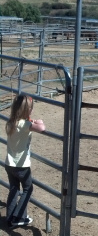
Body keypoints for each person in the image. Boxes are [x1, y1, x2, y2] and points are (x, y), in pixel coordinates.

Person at [5, 94, 46, 229]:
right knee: (28, 189)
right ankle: (19, 217)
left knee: (14, 189)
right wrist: (38, 120)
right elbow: (42, 128)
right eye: (31, 109)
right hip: (21, 166)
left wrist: (30, 121)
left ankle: (10, 216)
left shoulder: (11, 122)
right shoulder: (25, 125)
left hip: (9, 164)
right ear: (27, 111)